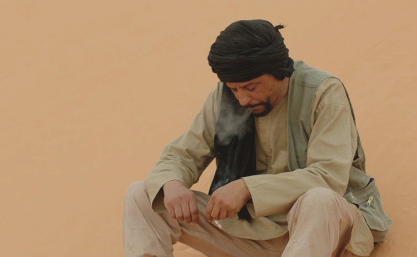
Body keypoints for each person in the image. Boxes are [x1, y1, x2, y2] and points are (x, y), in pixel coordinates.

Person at [123, 19, 391, 257]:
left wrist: (246, 188)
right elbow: (182, 154)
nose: (242, 99)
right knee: (143, 195)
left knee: (318, 198)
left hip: (322, 229)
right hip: (250, 233)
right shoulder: (226, 97)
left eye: (251, 88)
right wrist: (172, 184)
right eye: (234, 89)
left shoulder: (322, 92)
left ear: (280, 70)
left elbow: (328, 177)